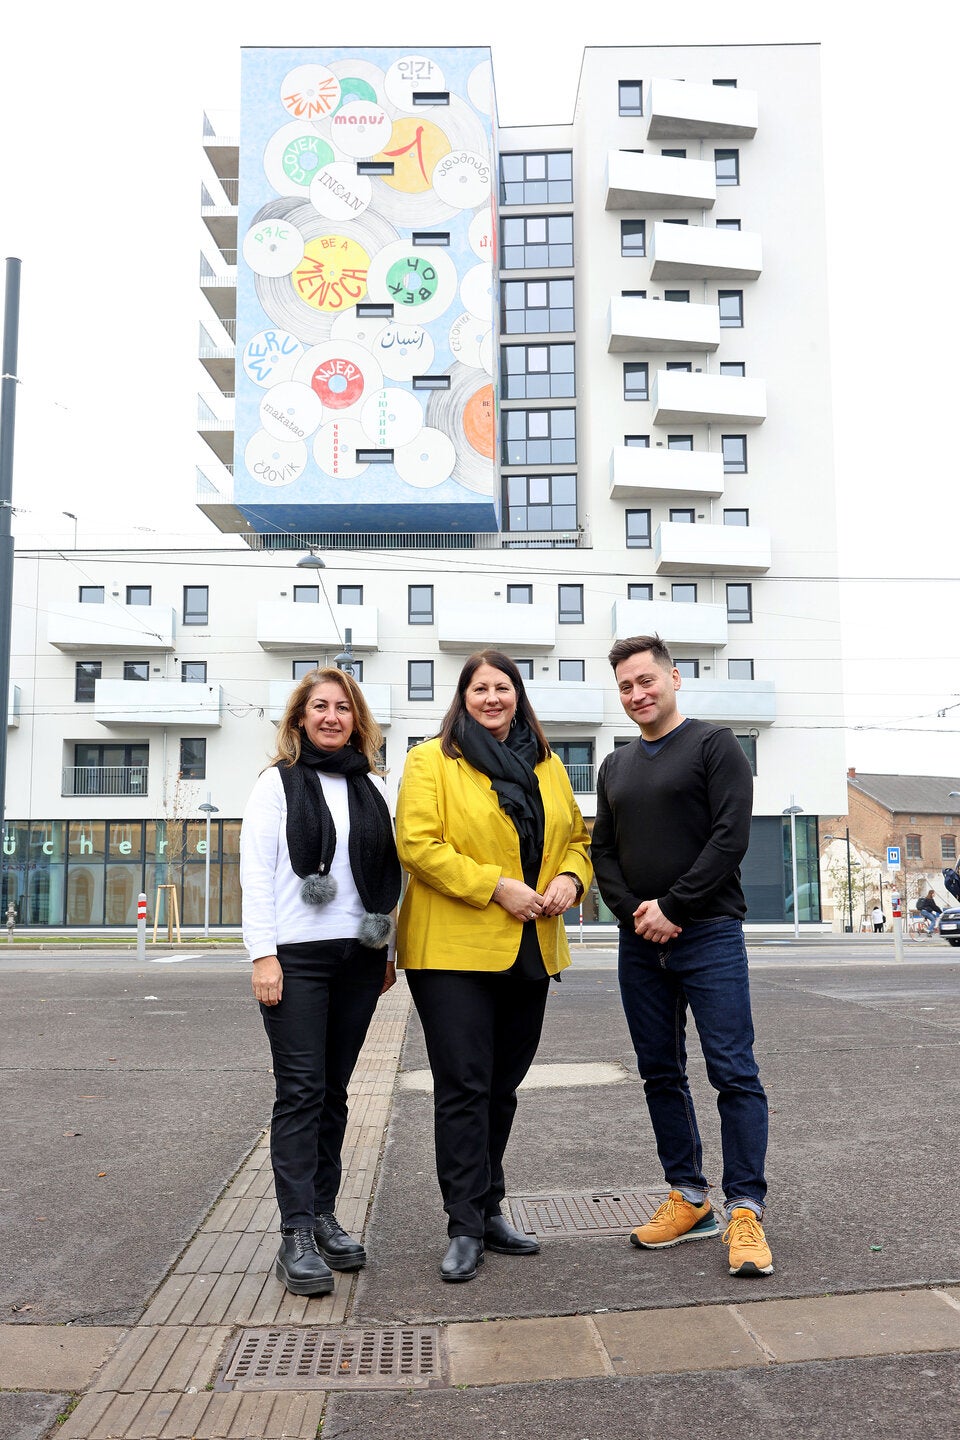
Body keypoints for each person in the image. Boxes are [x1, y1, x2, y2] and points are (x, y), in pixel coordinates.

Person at [396, 650, 592, 1282]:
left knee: (502, 1086)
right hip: (452, 950)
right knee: (464, 1087)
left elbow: (577, 842)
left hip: (531, 946)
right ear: (463, 697)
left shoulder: (548, 765)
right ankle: (461, 1224)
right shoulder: (432, 760)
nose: (491, 699)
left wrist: (569, 878)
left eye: (502, 688)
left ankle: (489, 1208)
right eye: (479, 689)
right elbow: (418, 845)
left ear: (517, 696)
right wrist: (496, 886)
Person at [591, 635, 773, 1278]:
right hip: (640, 942)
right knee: (659, 1070)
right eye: (625, 687)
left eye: (646, 680)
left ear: (673, 677)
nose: (637, 694)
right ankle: (689, 1194)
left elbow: (731, 838)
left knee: (733, 1070)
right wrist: (635, 913)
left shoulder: (714, 746)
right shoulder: (615, 766)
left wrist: (675, 907)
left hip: (710, 932)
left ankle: (745, 1209)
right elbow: (602, 851)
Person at [240, 667, 401, 1295]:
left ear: (358, 720)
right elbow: (256, 875)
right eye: (319, 707)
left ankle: (326, 1216)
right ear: (300, 718)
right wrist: (262, 955)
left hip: (359, 957)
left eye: (343, 708)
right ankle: (296, 1234)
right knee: (301, 1091)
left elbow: (386, 879)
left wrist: (386, 953)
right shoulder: (276, 786)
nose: (331, 717)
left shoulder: (376, 791)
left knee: (334, 1091)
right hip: (296, 958)